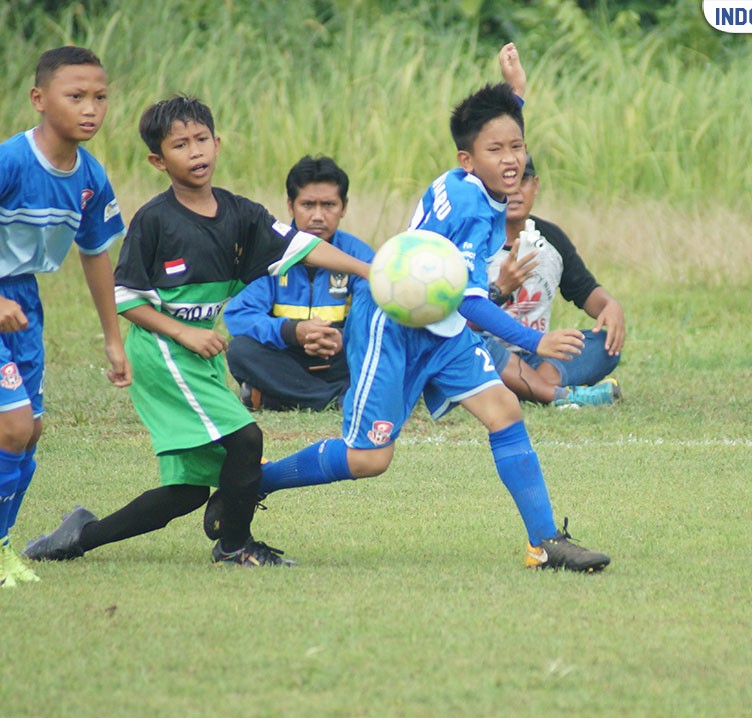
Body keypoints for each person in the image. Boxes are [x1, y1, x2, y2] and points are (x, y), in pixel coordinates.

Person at [212, 44, 610, 572]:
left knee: (505, 411)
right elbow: (469, 300)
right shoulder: (470, 209)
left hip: (439, 330)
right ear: (469, 159)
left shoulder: (472, 175)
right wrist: (535, 342)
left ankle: (545, 543)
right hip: (393, 327)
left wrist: (515, 92)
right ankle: (250, 483)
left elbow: (494, 138)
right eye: (498, 150)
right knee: (370, 459)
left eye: (518, 146)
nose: (512, 158)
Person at [23, 96, 372, 569]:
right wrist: (185, 334)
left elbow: (301, 247)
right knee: (246, 440)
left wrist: (371, 270)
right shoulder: (154, 220)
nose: (195, 151)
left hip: (195, 355)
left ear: (217, 143)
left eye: (202, 139)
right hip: (162, 351)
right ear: (158, 160)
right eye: (180, 144)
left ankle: (78, 537)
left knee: (186, 492)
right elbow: (125, 297)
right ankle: (234, 545)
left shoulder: (239, 213)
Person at [0, 47, 131, 590]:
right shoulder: (11, 161)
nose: (90, 109)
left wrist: (112, 337)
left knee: (31, 434)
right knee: (14, 426)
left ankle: (3, 546)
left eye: (100, 97)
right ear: (39, 99)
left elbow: (95, 253)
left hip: (23, 305)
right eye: (75, 96)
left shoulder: (91, 178)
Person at [223, 156, 374, 411]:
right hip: (286, 357)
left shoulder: (358, 255)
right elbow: (238, 316)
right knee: (240, 351)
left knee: (388, 346)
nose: (317, 216)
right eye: (307, 205)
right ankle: (336, 399)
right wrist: (294, 332)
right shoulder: (269, 254)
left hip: (339, 356)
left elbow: (373, 316)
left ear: (344, 207)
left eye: (328, 205)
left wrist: (342, 338)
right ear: (290, 206)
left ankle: (276, 398)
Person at [483, 153, 625, 407]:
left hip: (538, 355)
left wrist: (611, 306)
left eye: (522, 180)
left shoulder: (551, 239)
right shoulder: (474, 238)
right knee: (470, 343)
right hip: (486, 353)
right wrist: (499, 290)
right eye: (504, 181)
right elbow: (456, 320)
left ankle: (528, 386)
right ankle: (555, 395)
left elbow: (588, 293)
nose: (514, 190)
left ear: (535, 186)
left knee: (604, 345)